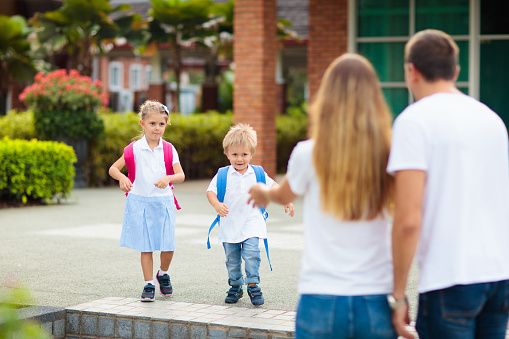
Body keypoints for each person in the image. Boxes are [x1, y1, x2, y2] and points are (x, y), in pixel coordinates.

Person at [248, 54, 396, 338]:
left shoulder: (308, 153)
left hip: (320, 298)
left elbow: (283, 194)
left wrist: (264, 193)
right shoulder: (388, 153)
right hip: (374, 297)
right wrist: (400, 296)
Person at [387, 29, 509, 339]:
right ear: (455, 71)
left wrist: (398, 295)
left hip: (450, 279)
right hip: (499, 276)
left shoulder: (414, 121)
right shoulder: (492, 120)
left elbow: (408, 219)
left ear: (411, 71)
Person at [206, 123, 294, 306]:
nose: (239, 159)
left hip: (252, 223)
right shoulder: (223, 174)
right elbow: (210, 191)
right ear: (227, 153)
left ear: (251, 154)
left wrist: (286, 199)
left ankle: (253, 284)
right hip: (229, 224)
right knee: (232, 259)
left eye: (244, 154)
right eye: (235, 154)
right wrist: (216, 204)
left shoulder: (257, 173)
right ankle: (236, 286)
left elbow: (274, 187)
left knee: (252, 254)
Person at [109, 100, 185, 302]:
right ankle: (149, 283)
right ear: (142, 123)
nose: (157, 128)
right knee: (146, 246)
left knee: (168, 245)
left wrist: (168, 178)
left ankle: (163, 273)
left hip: (164, 202)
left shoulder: (169, 149)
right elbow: (113, 169)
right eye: (152, 123)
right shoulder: (133, 149)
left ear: (166, 124)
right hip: (140, 202)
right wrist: (123, 178)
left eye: (161, 124)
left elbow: (181, 175)